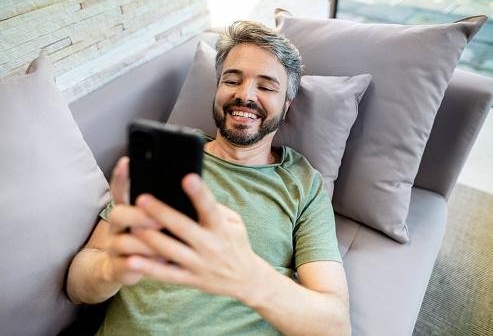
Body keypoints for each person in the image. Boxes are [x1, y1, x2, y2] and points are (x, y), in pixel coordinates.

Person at [66, 21, 351, 336]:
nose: (245, 95)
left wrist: (247, 276)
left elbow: (334, 327)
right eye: (232, 80)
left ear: (286, 106)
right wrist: (112, 269)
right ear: (217, 89)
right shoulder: (166, 155)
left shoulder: (302, 183)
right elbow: (77, 285)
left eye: (267, 86)